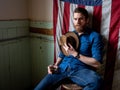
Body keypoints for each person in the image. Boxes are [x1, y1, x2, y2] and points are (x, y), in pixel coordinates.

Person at [34, 7, 103, 90]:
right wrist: (55, 65)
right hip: (62, 69)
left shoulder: (94, 36)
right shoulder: (70, 35)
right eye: (75, 19)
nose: (77, 22)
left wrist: (75, 54)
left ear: (87, 20)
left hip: (81, 71)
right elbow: (62, 53)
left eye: (81, 19)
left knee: (97, 81)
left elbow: (97, 63)